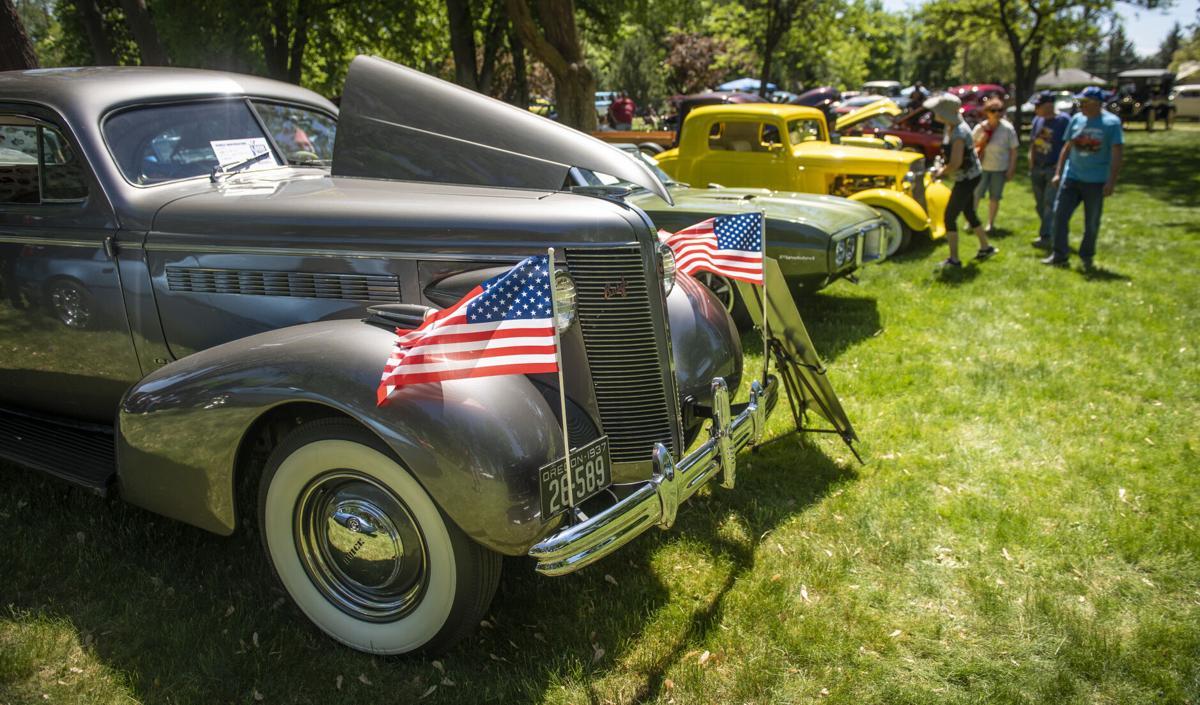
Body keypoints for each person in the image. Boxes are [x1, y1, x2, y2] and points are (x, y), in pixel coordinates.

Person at [1042, 86, 1123, 269]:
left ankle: (1087, 256)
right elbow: (1067, 148)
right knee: (1059, 215)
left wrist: (1111, 181)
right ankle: (1059, 254)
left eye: (1084, 102)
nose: (1081, 105)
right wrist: (1058, 173)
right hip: (1071, 177)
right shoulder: (1077, 119)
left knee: (1092, 221)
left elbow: (1117, 153)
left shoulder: (1111, 123)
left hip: (1095, 180)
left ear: (1096, 103)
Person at [925, 93, 996, 269]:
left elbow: (956, 163)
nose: (935, 114)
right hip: (968, 176)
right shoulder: (950, 127)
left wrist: (940, 172)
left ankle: (954, 260)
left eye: (938, 111)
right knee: (969, 212)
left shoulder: (958, 132)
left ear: (945, 113)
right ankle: (986, 248)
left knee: (949, 217)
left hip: (967, 178)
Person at [1028, 91, 1071, 249]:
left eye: (1038, 106)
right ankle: (1051, 230)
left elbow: (1069, 146)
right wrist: (1031, 163)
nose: (1036, 109)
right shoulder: (1037, 120)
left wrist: (1059, 167)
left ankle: (1045, 236)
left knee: (1049, 203)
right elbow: (1033, 143)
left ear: (1049, 105)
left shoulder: (1064, 121)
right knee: (1040, 204)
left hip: (1053, 168)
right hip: (1037, 168)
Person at [972, 97, 1018, 233]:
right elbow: (970, 147)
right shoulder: (980, 128)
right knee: (976, 195)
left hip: (999, 169)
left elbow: (1014, 151)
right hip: (981, 168)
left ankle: (990, 224)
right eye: (993, 110)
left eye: (1000, 110)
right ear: (987, 112)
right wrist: (982, 141)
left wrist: (1011, 169)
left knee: (995, 197)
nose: (997, 113)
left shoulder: (1008, 129)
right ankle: (972, 221)